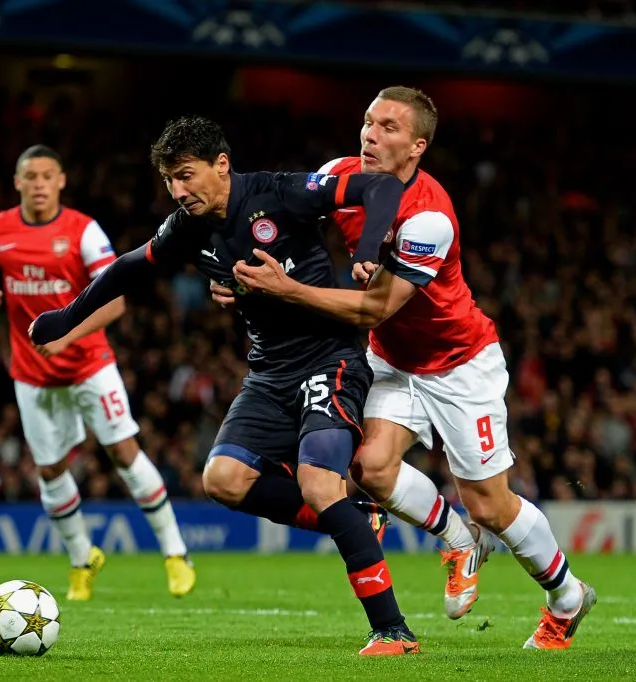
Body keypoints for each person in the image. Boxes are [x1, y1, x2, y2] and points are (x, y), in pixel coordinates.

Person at [30, 116, 419, 655]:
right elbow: (126, 269)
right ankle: (355, 521)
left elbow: (378, 185)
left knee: (320, 484)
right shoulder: (186, 227)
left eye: (186, 176)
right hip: (267, 374)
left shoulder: (282, 193)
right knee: (224, 480)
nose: (179, 191)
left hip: (330, 360)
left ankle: (392, 630)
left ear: (221, 165)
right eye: (169, 180)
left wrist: (368, 250)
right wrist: (66, 317)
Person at [226, 87, 597, 650]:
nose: (371, 135)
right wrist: (244, 280)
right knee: (370, 469)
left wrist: (287, 289)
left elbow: (376, 305)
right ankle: (457, 539)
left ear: (418, 145)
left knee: (489, 502)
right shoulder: (340, 176)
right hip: (391, 358)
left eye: (390, 128)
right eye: (368, 122)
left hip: (459, 363)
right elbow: (277, 221)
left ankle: (567, 596)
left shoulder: (429, 218)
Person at [0, 145, 195, 601]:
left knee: (124, 453)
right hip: (31, 374)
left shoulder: (83, 231)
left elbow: (116, 299)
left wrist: (66, 337)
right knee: (49, 470)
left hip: (90, 364)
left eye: (47, 176)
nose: (38, 184)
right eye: (30, 176)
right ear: (17, 182)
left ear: (61, 180)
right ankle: (81, 559)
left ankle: (175, 552)